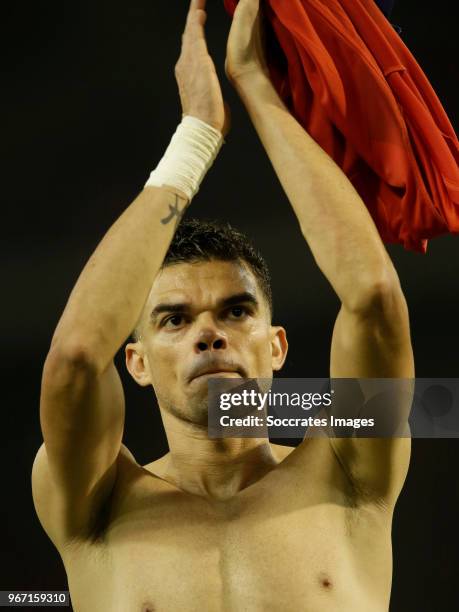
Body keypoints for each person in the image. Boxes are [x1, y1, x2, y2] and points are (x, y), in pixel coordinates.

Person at [31, 0, 414, 610]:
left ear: (277, 344)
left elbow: (372, 296)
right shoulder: (97, 500)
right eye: (174, 320)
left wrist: (257, 86)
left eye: (236, 311)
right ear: (136, 363)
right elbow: (75, 358)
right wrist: (197, 137)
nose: (208, 333)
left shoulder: (347, 466)